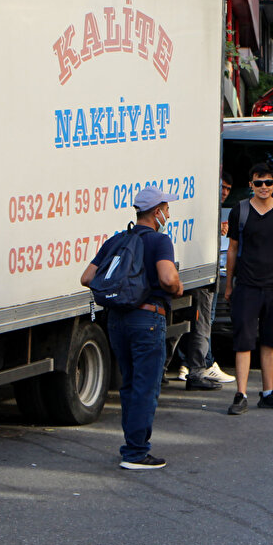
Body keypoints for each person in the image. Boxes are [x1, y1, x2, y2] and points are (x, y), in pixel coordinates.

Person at [80, 185, 183, 470]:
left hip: (117, 320)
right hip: (147, 319)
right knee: (145, 387)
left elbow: (87, 278)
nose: (168, 215)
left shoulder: (117, 240)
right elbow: (168, 278)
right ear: (156, 212)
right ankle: (136, 452)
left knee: (129, 384)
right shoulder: (159, 241)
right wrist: (177, 287)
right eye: (167, 209)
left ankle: (131, 445)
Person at [224, 163, 273, 414]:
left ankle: (268, 392)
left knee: (270, 341)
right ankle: (241, 394)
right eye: (258, 183)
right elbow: (233, 248)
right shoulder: (241, 211)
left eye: (268, 183)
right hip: (247, 286)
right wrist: (229, 284)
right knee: (244, 342)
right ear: (251, 185)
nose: (264, 187)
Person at [177, 173, 236, 390]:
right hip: (202, 272)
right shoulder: (205, 206)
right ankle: (201, 366)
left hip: (197, 270)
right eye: (223, 187)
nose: (225, 192)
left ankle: (187, 365)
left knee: (192, 320)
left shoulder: (210, 206)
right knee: (202, 321)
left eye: (228, 189)